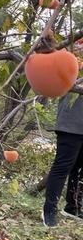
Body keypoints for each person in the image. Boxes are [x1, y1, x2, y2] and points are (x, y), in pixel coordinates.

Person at [42, 92, 83, 227]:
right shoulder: (76, 70)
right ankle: (49, 211)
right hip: (71, 121)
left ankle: (73, 207)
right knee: (62, 167)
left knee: (80, 168)